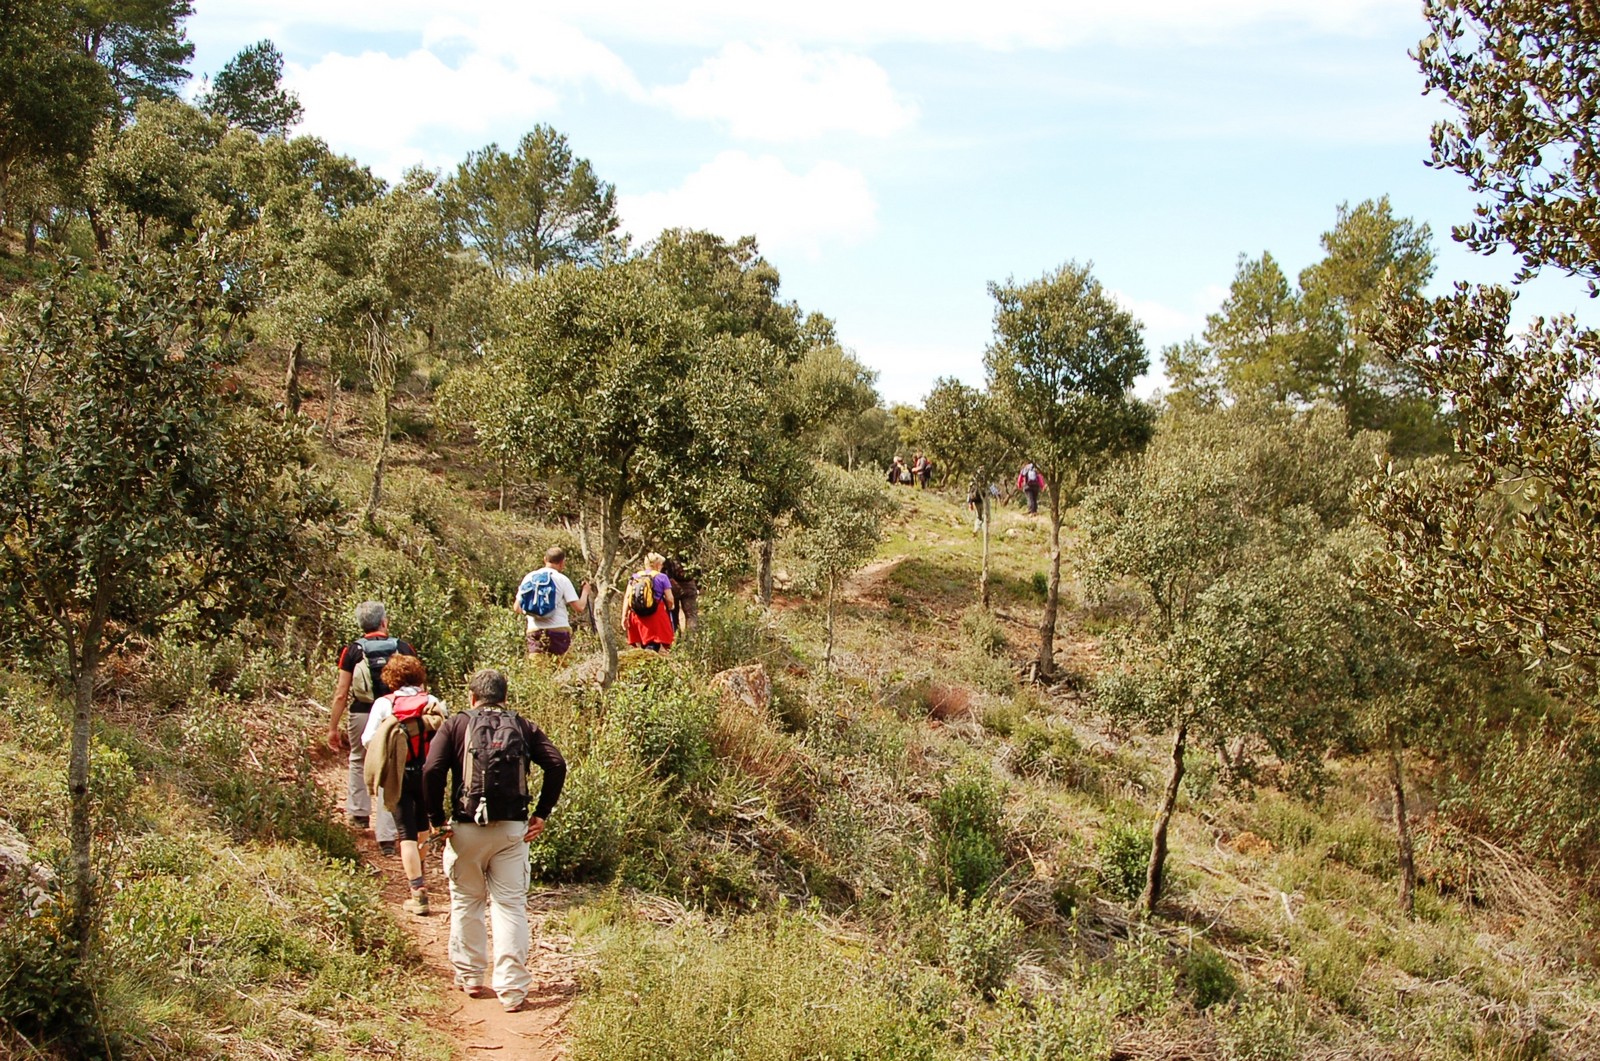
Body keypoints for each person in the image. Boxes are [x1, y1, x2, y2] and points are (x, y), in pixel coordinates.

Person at [422, 668, 566, 1014]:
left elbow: (432, 770)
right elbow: (556, 764)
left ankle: (471, 976)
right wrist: (542, 813)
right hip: (512, 830)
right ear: (504, 697)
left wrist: (437, 820)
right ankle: (512, 989)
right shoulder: (523, 726)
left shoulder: (456, 724)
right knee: (510, 906)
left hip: (465, 828)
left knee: (466, 902)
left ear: (472, 697)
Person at [328, 601, 417, 853]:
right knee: (391, 768)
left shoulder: (353, 650)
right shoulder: (403, 647)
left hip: (361, 712)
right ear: (384, 622)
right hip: (396, 713)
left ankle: (359, 813)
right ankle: (387, 832)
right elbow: (418, 687)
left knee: (358, 758)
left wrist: (332, 727)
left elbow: (341, 692)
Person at [362, 654, 447, 916]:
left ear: (391, 678)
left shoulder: (383, 704)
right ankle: (419, 872)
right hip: (427, 773)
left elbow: (368, 740)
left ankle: (417, 891)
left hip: (399, 776)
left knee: (405, 833)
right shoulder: (432, 702)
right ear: (418, 676)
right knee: (422, 827)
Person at [514, 547, 589, 658]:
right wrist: (585, 591)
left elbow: (517, 608)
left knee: (538, 667)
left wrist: (534, 612)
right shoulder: (562, 579)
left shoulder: (529, 577)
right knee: (562, 666)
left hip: (535, 631)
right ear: (562, 563)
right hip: (559, 631)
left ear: (545, 559)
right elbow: (579, 607)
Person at [624, 552, 676, 653]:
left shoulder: (635, 576)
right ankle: (649, 660)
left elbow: (627, 597)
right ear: (657, 565)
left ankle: (645, 658)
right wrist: (670, 607)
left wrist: (624, 616)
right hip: (655, 614)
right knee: (653, 644)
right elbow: (670, 598)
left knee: (644, 642)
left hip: (637, 615)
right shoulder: (662, 577)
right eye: (661, 564)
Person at [662, 555, 700, 633]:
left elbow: (663, 569)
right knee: (691, 615)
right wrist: (697, 586)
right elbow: (698, 571)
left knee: (673, 614)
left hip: (672, 585)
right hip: (689, 585)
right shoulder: (691, 553)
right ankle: (691, 637)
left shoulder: (670, 554)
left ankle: (675, 636)